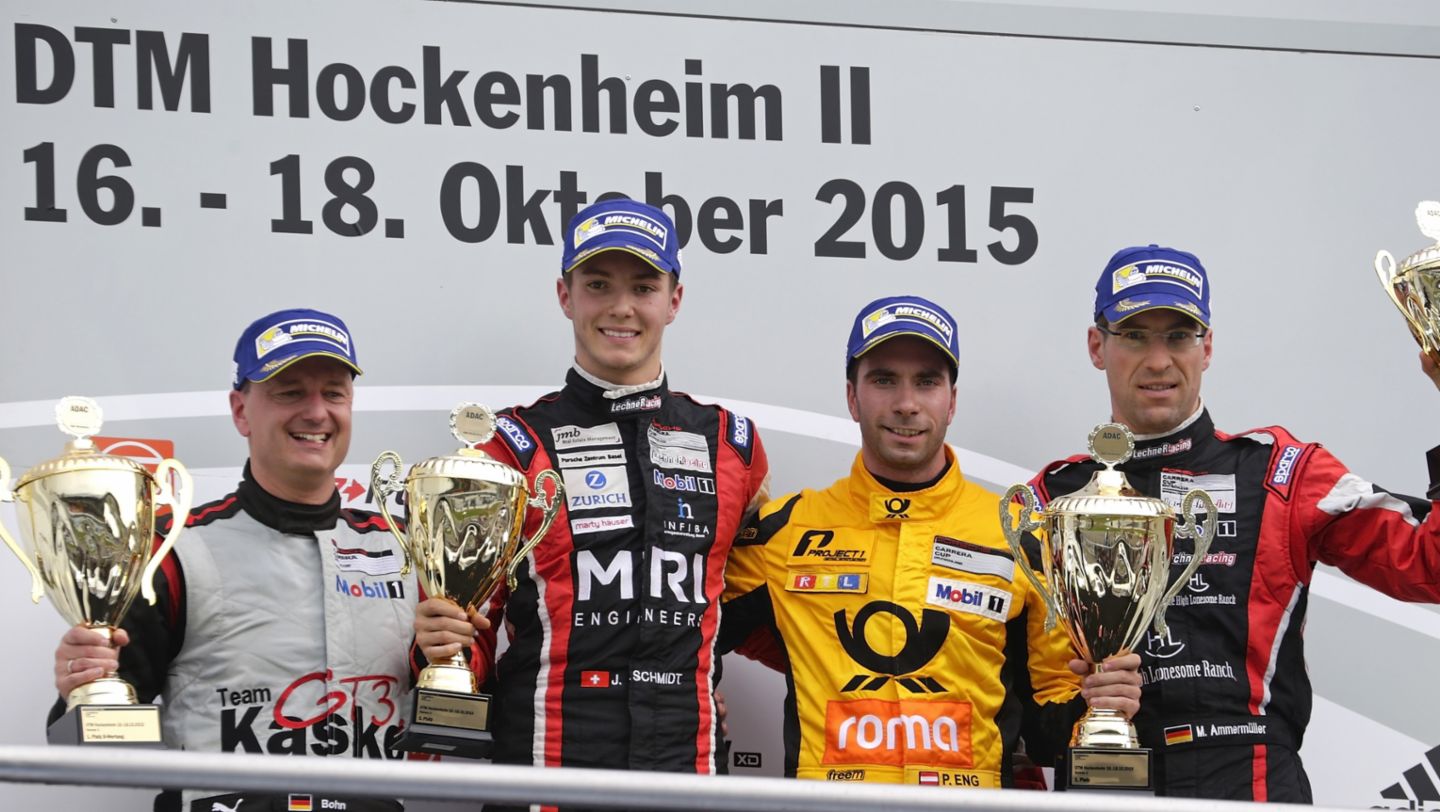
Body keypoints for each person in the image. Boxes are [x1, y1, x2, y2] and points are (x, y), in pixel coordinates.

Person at [1028, 244, 1440, 802]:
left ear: (1208, 348)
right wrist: (1084, 708)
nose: (1158, 360)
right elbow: (1013, 701)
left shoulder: (1282, 472)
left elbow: (1429, 568)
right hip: (1104, 775)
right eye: (1135, 336)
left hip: (1250, 780)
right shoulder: (1052, 499)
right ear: (1097, 346)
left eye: (1178, 336)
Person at [414, 199, 771, 790]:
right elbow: (467, 627)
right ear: (565, 295)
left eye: (643, 286)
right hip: (545, 778)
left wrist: (699, 678)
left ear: (673, 300)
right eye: (598, 284)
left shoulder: (732, 446)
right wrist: (438, 656)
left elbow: (748, 607)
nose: (621, 307)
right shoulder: (510, 448)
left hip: (688, 772)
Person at [718, 295, 1142, 788]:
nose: (906, 403)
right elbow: (683, 636)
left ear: (952, 400)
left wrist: (1101, 702)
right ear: (852, 398)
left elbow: (1050, 722)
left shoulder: (1022, 532)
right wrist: (694, 702)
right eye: (883, 380)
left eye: (926, 381)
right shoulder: (782, 530)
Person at [51, 308, 417, 812]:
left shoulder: (403, 550)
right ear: (241, 410)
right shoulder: (173, 550)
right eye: (289, 392)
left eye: (333, 392)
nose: (316, 412)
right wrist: (84, 680)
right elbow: (93, 742)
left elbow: (452, 715)